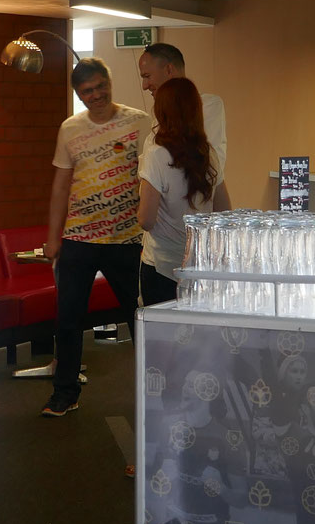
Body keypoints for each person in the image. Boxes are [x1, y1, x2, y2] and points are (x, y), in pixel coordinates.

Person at [41, 58, 152, 417]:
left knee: (140, 318)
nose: (96, 95)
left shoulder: (138, 122)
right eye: (88, 91)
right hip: (79, 238)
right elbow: (60, 186)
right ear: (79, 94)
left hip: (128, 240)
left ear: (109, 82)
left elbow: (151, 179)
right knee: (68, 320)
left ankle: (155, 392)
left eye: (101, 86)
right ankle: (65, 393)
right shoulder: (70, 129)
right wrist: (53, 237)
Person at [136, 76, 232, 304]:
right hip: (198, 267)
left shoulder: (156, 154)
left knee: (160, 327)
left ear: (162, 112)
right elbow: (224, 212)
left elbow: (146, 220)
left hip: (162, 267)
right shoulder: (208, 154)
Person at [137, 42, 226, 172]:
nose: (144, 86)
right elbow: (144, 170)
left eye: (147, 76)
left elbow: (209, 167)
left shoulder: (208, 106)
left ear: (169, 70)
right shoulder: (158, 119)